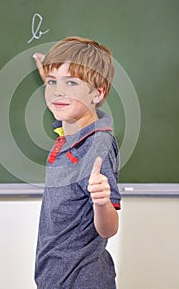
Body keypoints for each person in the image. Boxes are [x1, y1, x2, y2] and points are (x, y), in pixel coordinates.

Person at [33, 36, 121, 289]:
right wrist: (56, 77)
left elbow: (108, 229)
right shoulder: (71, 128)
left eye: (72, 83)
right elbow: (64, 96)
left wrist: (102, 201)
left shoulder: (96, 146)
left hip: (80, 281)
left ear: (98, 93)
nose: (58, 91)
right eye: (52, 83)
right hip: (54, 276)